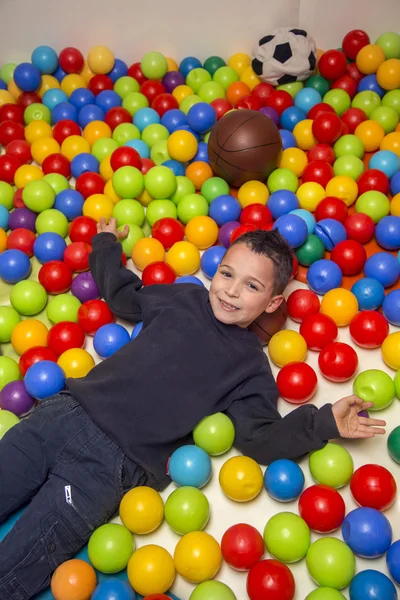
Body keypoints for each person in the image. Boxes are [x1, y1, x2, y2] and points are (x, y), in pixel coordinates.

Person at [0, 218, 385, 599]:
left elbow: (259, 438)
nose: (231, 291)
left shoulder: (251, 366)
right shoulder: (183, 298)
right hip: (63, 415)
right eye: (227, 274)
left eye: (251, 286)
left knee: (19, 563)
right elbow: (124, 296)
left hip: (110, 466)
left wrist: (322, 423)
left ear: (272, 302)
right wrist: (105, 244)